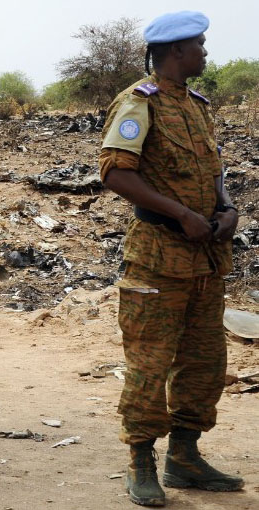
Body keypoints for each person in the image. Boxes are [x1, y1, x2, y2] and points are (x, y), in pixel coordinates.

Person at [99, 10, 244, 507]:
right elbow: (116, 173)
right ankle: (140, 462)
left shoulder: (197, 105)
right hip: (157, 260)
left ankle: (184, 458)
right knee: (149, 364)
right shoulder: (138, 103)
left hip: (206, 261)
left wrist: (227, 210)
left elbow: (213, 170)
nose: (205, 53)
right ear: (177, 51)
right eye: (199, 46)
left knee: (205, 363)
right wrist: (181, 213)